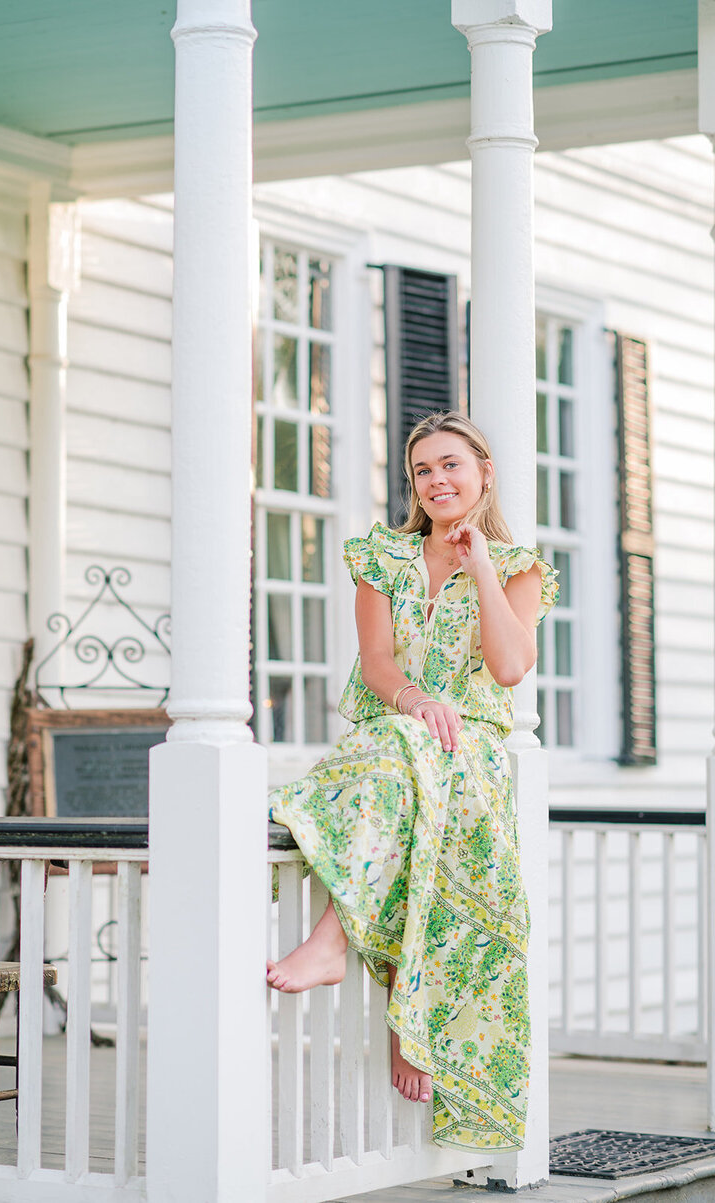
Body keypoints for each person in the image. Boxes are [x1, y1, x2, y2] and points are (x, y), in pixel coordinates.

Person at [267, 411, 558, 1152]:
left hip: (472, 750)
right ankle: (398, 1005)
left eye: (451, 465)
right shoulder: (382, 559)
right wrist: (416, 702)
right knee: (402, 762)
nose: (436, 481)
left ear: (483, 472)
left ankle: (345, 952)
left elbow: (509, 668)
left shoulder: (521, 567)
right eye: (423, 470)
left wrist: (482, 567)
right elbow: (377, 663)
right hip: (395, 734)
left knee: (425, 783)